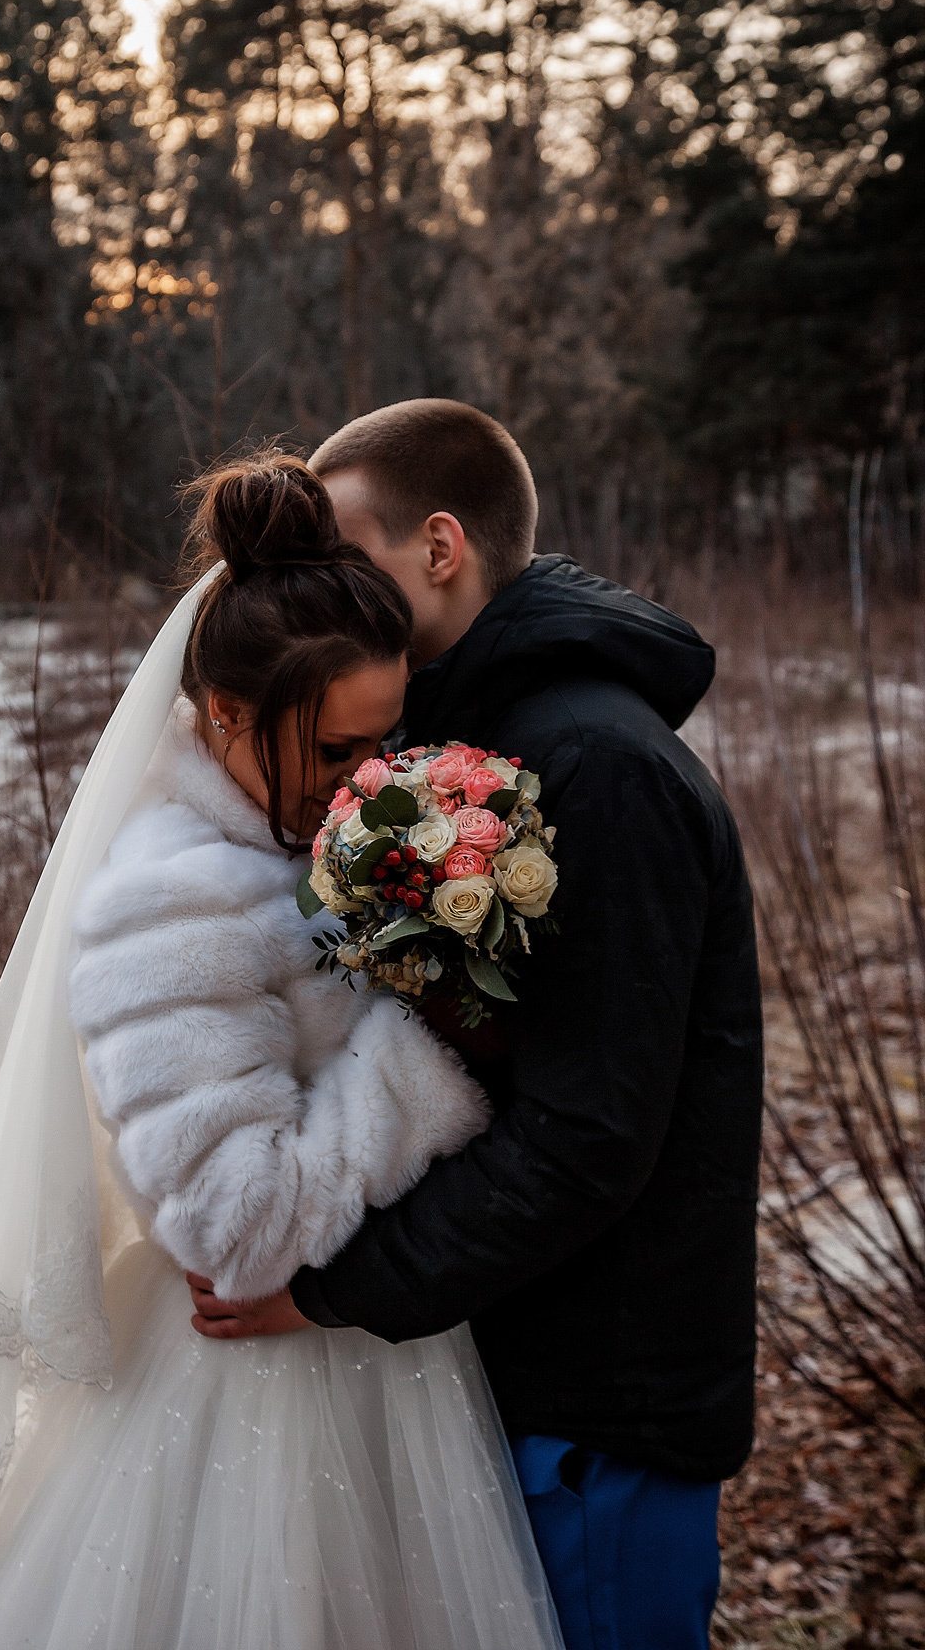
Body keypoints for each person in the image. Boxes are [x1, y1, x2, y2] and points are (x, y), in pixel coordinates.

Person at [0, 450, 564, 1650]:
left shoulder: (297, 844)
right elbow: (237, 1228)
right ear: (229, 714)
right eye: (342, 751)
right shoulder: (171, 903)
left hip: (374, 1370)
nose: (372, 786)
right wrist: (435, 1041)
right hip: (252, 1414)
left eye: (386, 740)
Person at [188, 399, 765, 1650]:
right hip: (514, 1367)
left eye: (348, 556)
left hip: (601, 1415)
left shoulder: (598, 765)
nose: (318, 583)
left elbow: (588, 1138)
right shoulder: (469, 740)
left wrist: (336, 1288)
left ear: (438, 548)